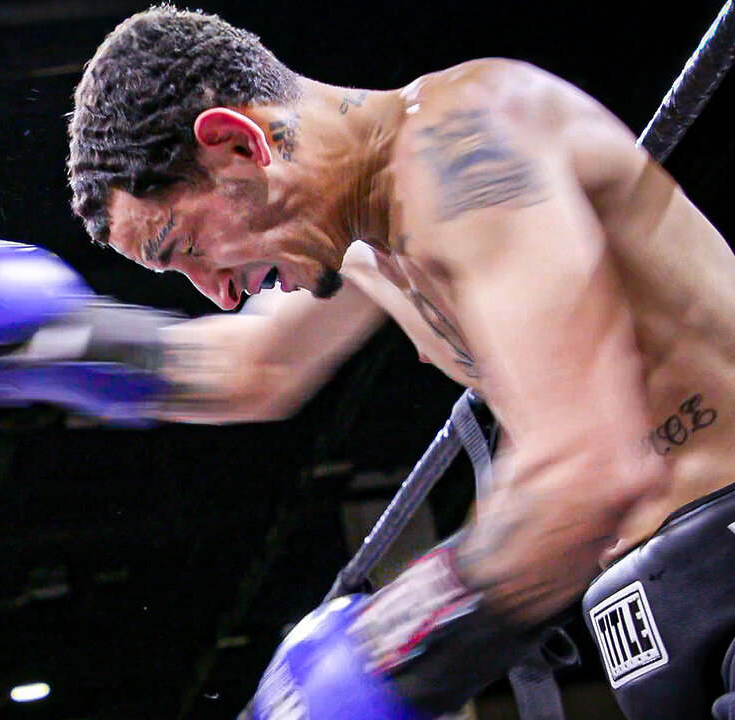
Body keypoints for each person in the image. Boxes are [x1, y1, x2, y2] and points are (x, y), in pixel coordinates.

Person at [59, 5, 735, 718]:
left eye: (183, 246)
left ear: (235, 144)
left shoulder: (468, 140)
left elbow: (588, 467)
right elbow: (253, 368)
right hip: (650, 619)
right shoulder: (367, 243)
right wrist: (48, 346)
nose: (217, 293)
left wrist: (390, 650)